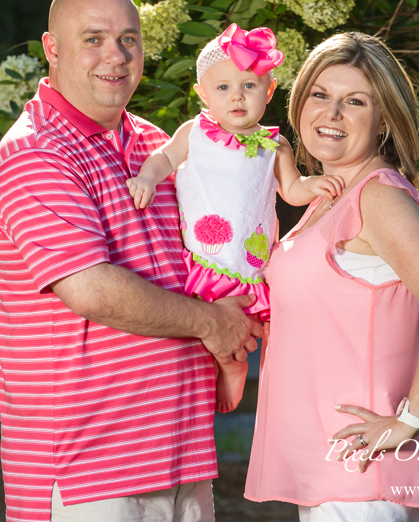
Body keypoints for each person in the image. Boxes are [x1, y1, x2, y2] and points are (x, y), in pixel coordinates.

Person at [0, 0, 262, 522]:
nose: (116, 55)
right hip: (91, 474)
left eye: (129, 39)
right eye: (93, 38)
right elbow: (92, 290)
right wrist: (212, 323)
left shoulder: (157, 145)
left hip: (181, 457)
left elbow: (219, 251)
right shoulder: (35, 154)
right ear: (52, 48)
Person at [244, 32, 419, 522]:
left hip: (365, 474)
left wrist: (408, 421)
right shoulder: (327, 197)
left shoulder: (379, 196)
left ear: (384, 120)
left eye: (355, 102)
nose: (331, 114)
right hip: (333, 470)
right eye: (320, 95)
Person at [125, 23, 343, 413]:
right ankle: (213, 370)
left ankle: (234, 366)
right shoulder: (195, 133)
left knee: (240, 328)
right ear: (203, 94)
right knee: (200, 328)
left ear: (269, 91)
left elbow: (290, 190)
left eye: (249, 86)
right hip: (201, 257)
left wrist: (314, 186)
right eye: (223, 88)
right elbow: (163, 159)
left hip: (247, 262)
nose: (237, 97)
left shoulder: (273, 145)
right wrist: (146, 177)